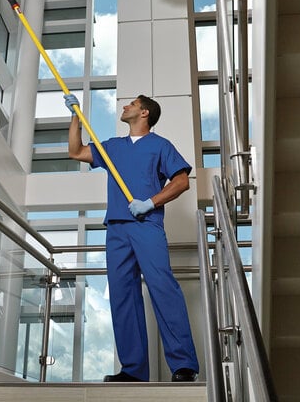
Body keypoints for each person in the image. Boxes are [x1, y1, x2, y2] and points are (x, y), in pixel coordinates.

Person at [65, 93, 199, 383]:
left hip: (146, 223)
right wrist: (75, 114)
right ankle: (134, 370)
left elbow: (181, 181)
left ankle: (184, 364)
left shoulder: (160, 146)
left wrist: (150, 203)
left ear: (144, 113)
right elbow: (75, 152)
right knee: (123, 297)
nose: (125, 107)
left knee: (163, 288)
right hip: (116, 228)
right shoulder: (113, 147)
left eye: (132, 105)